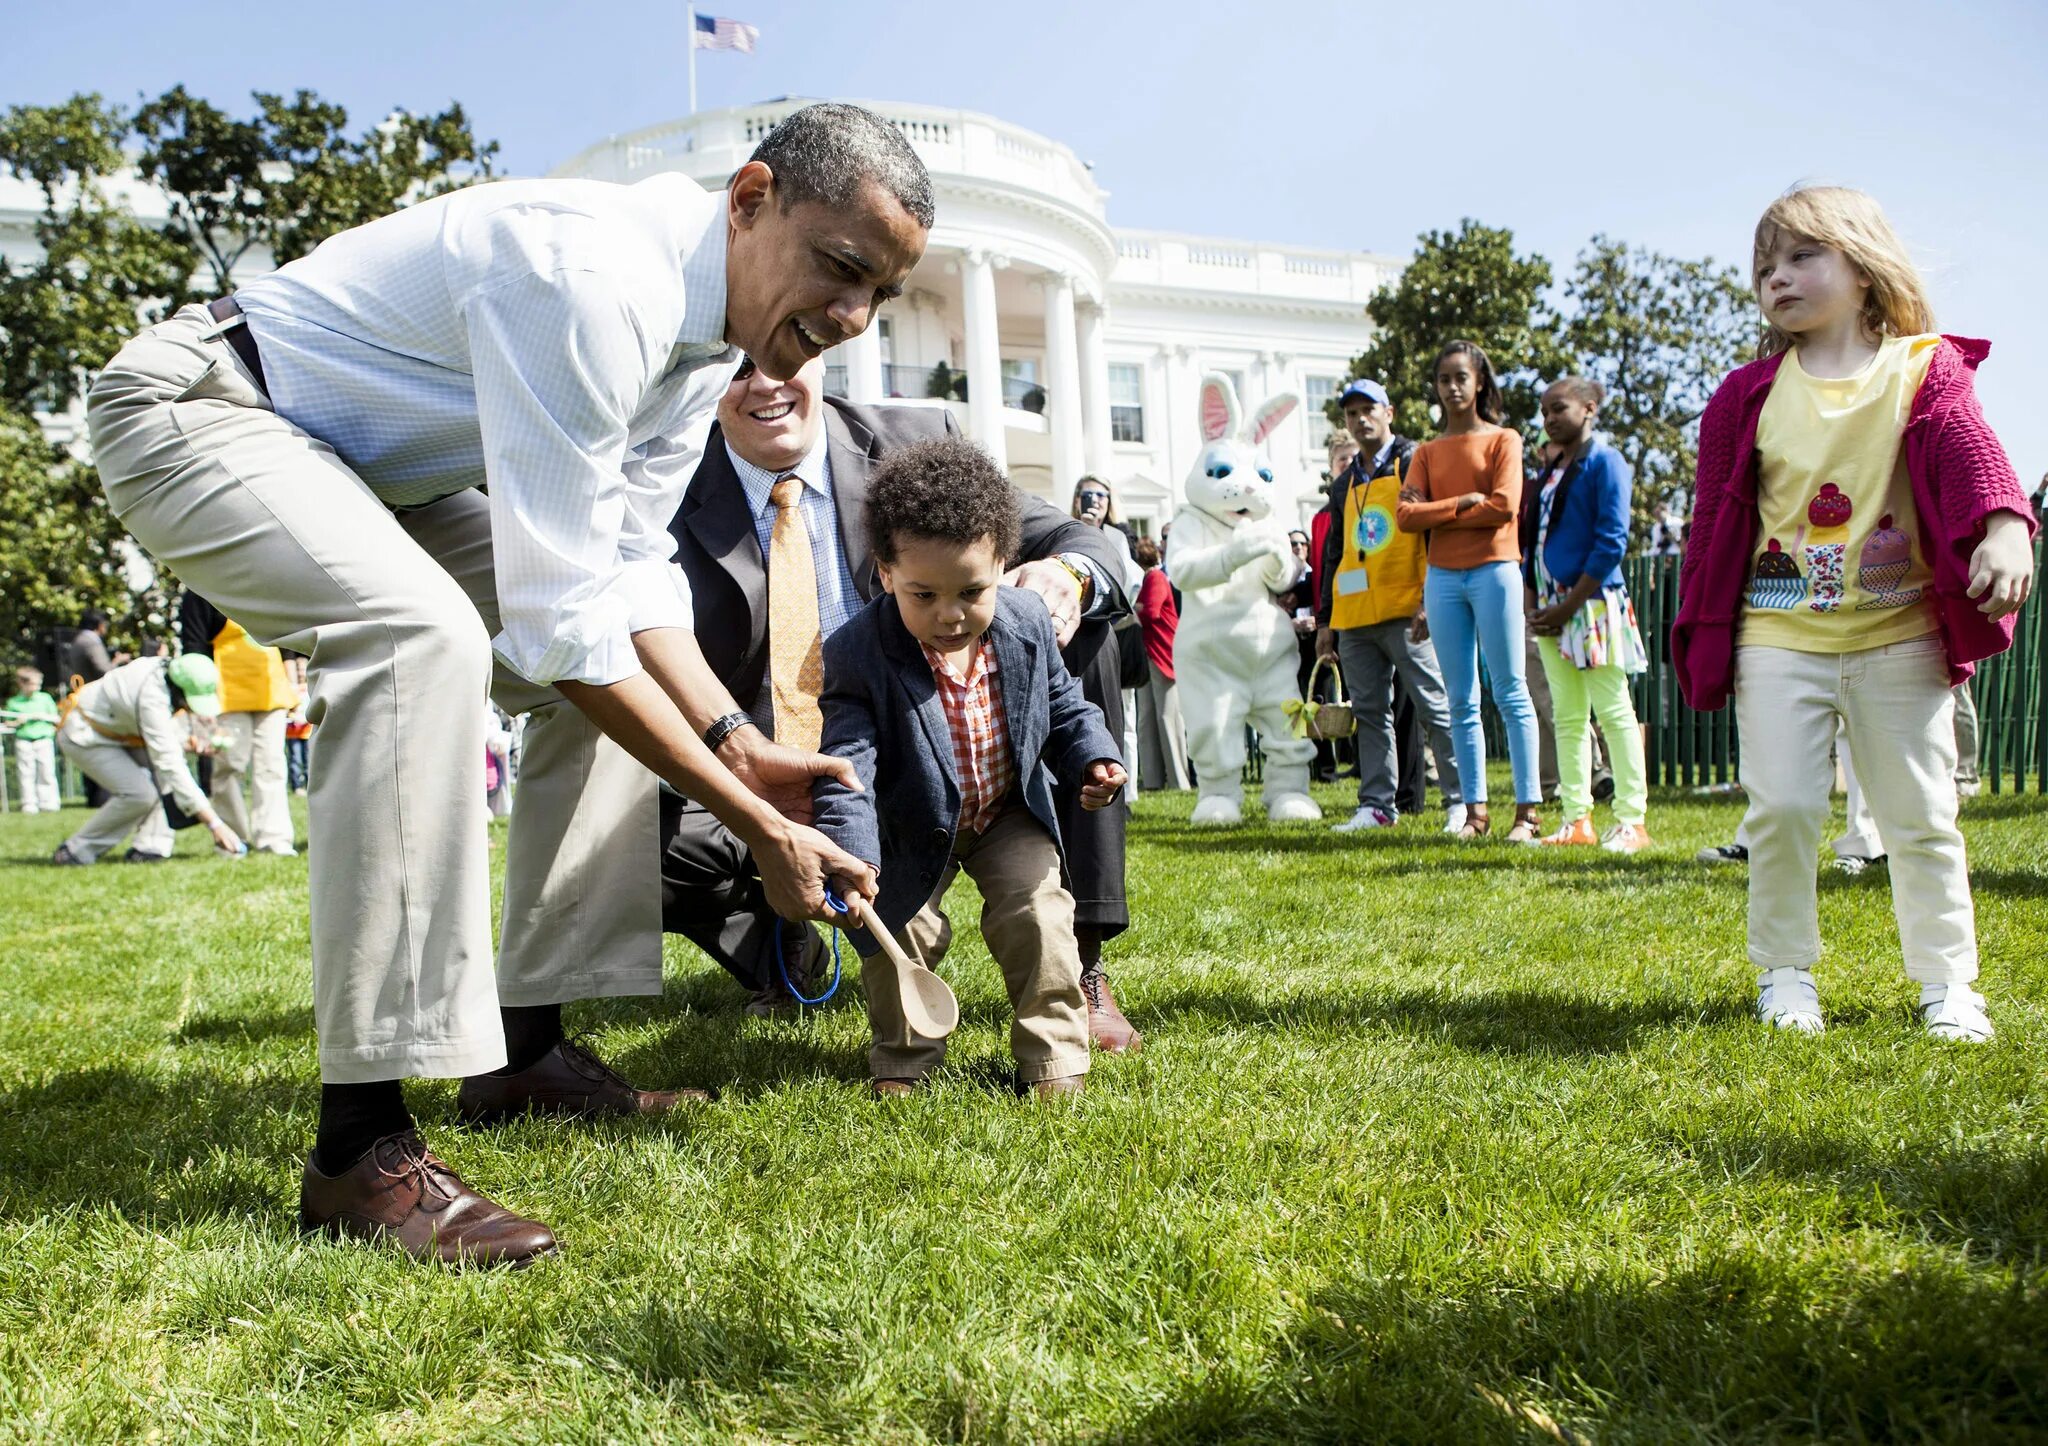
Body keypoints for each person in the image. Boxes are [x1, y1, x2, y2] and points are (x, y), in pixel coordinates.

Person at [85, 101, 928, 1265]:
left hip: (371, 469)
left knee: (585, 659)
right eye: (841, 269)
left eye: (878, 293)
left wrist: (738, 743)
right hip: (205, 406)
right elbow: (561, 619)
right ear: (749, 200)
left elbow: (626, 573)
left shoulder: (705, 342)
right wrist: (751, 826)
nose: (850, 317)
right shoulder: (592, 280)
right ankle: (359, 1153)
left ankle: (520, 1054)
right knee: (423, 631)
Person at [659, 353, 1131, 1018]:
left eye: (784, 361)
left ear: (821, 353)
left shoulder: (916, 440)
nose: (765, 384)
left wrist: (1070, 575)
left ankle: (1083, 960)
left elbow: (1075, 535)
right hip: (759, 766)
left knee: (1078, 632)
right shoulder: (666, 476)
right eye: (738, 371)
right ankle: (777, 944)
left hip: (929, 743)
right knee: (642, 827)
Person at [1672, 185, 2036, 1043]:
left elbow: (1972, 447)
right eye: (1765, 266)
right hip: (1778, 640)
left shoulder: (1924, 367)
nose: (1778, 278)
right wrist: (1704, 633)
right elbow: (1709, 526)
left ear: (1865, 272)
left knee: (1919, 817)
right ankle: (1785, 973)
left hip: (1899, 638)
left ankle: (1948, 984)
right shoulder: (1744, 396)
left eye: (1802, 257)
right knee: (1785, 811)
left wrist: (2006, 526)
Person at [811, 437, 1126, 1096]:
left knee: (1039, 914)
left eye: (970, 592)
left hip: (1006, 812)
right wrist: (854, 854)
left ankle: (1054, 1057)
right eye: (924, 595)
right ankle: (903, 1058)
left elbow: (1064, 708)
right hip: (907, 821)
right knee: (903, 927)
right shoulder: (856, 651)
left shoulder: (1027, 622)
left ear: (1004, 565)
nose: (949, 615)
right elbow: (849, 763)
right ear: (886, 571)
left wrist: (1093, 757)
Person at [1396, 342, 1545, 841]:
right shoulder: (1427, 452)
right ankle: (1475, 813)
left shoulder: (1505, 439)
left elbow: (1504, 506)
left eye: (1461, 376)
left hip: (1496, 570)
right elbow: (1405, 516)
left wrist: (1438, 512)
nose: (1453, 387)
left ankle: (1527, 813)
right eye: (1444, 379)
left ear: (1480, 381)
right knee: (1461, 699)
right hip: (1442, 579)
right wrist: (1461, 503)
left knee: (1510, 690)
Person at [1316, 378, 1464, 832]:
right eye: (1351, 412)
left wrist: (1428, 598)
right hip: (1356, 614)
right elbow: (1336, 552)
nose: (1361, 419)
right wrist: (1326, 620)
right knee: (1369, 712)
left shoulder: (1416, 461)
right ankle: (1377, 806)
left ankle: (1462, 800)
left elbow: (1436, 531)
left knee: (1434, 705)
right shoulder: (1344, 484)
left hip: (1408, 607)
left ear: (1389, 412)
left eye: (1369, 409)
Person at [1524, 378, 1653, 852]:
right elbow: (1532, 543)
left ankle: (1632, 822)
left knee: (1614, 710)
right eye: (1544, 412)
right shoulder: (1553, 471)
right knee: (1569, 716)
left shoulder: (1605, 462)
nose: (1549, 419)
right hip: (1551, 609)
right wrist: (1534, 606)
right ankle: (1577, 819)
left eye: (1558, 408)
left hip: (1591, 603)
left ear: (1589, 408)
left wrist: (1567, 606)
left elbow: (1611, 540)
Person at [51, 652, 244, 864]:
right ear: (178, 689)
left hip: (123, 733)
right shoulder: (151, 695)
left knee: (165, 782)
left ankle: (149, 849)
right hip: (85, 734)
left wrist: (188, 741)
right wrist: (215, 824)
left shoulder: (167, 675)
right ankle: (75, 851)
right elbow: (168, 761)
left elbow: (162, 738)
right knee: (139, 794)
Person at [180, 590, 299, 856]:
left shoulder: (264, 586)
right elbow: (194, 646)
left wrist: (293, 686)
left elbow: (287, 642)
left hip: (272, 688)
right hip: (226, 692)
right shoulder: (200, 591)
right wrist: (202, 701)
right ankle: (231, 840)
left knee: (272, 765)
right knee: (228, 765)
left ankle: (274, 839)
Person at [1130, 536, 1191, 791]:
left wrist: (1131, 605)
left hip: (1162, 653)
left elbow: (1152, 612)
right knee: (1147, 718)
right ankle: (1154, 780)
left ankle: (1179, 781)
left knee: (1168, 717)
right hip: (1147, 652)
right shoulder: (1148, 579)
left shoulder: (1155, 578)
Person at [4, 665, 62, 813]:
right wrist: (18, 721)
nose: (36, 687)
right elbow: (8, 722)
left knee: (47, 772)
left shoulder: (45, 698)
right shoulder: (14, 702)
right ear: (22, 683)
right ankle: (29, 804)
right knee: (26, 773)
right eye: (33, 684)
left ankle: (49, 802)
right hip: (24, 740)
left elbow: (57, 718)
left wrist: (41, 717)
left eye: (38, 684)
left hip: (43, 739)